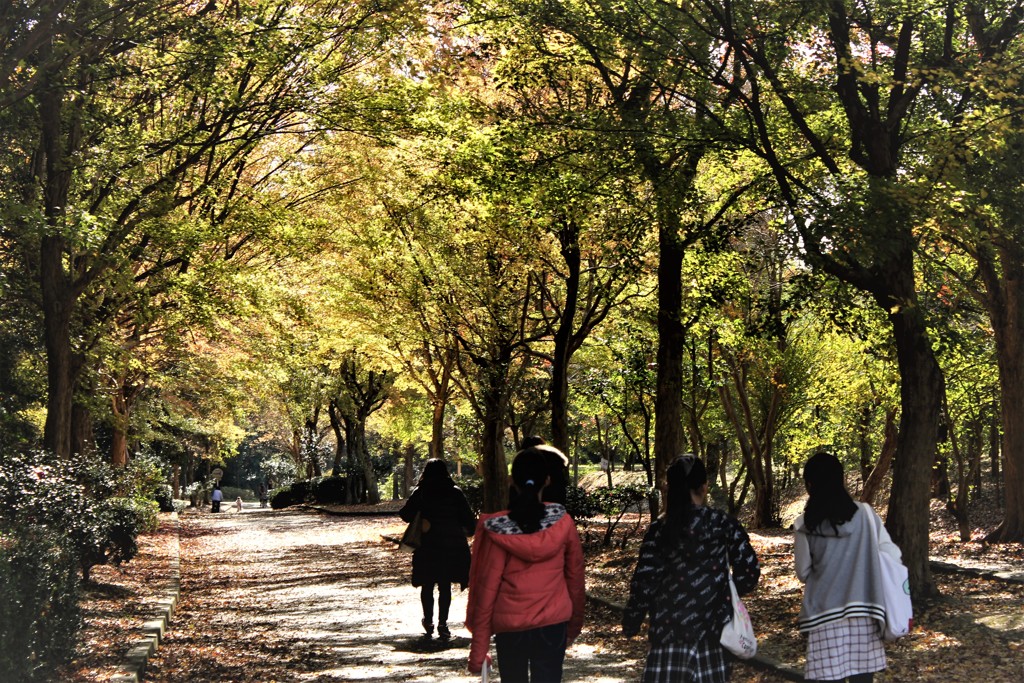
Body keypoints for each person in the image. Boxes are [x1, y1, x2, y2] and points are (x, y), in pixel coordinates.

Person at [623, 454, 760, 683]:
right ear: (704, 487)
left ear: (670, 488)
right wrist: (725, 592)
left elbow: (644, 582)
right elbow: (749, 571)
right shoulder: (722, 524)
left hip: (668, 641)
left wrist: (632, 621)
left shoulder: (659, 530)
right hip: (713, 639)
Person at [466, 446, 586, 682]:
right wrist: (572, 626)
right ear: (548, 480)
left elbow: (485, 591)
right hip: (553, 625)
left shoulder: (499, 530)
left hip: (510, 629)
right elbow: (575, 578)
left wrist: (478, 650)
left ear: (512, 481)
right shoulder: (563, 523)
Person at [794, 452, 901, 683]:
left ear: (810, 484)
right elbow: (891, 554)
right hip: (865, 614)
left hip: (823, 618)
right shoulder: (866, 515)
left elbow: (803, 573)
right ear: (840, 480)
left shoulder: (804, 524)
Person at [399, 458, 476, 641]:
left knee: (427, 584)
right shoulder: (455, 492)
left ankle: (429, 621)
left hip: (427, 545)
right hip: (451, 545)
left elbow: (405, 514)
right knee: (445, 585)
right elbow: (468, 519)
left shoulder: (422, 492)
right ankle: (443, 623)